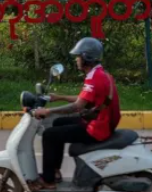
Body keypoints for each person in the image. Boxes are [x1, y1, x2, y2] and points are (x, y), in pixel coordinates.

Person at [30, 37, 121, 190]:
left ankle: (48, 180)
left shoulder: (94, 78)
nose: (76, 60)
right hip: (100, 121)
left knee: (49, 135)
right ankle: (55, 171)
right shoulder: (100, 73)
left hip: (96, 128)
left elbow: (78, 105)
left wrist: (48, 111)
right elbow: (84, 99)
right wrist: (60, 97)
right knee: (58, 123)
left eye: (78, 56)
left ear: (86, 57)